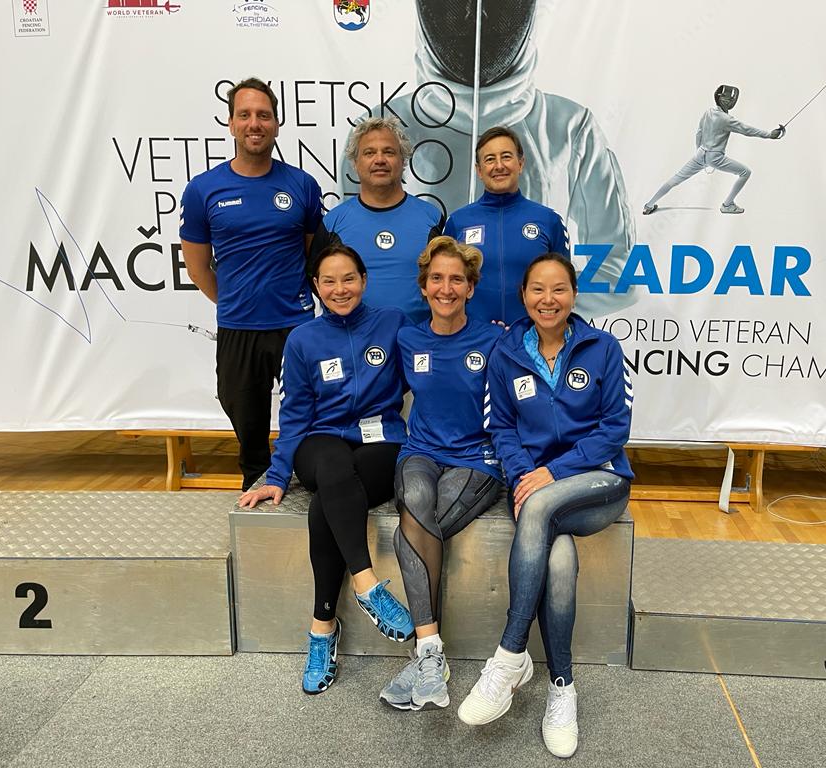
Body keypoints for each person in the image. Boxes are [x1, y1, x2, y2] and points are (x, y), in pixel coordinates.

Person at [340, 0, 637, 316]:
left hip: (525, 336)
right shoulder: (383, 131)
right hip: (431, 335)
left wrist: (529, 311)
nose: (475, 13)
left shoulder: (569, 126)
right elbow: (356, 262)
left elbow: (618, 271)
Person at [457, 254, 633, 758]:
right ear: (524, 296)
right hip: (535, 486)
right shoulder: (505, 353)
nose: (548, 299)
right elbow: (501, 428)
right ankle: (562, 688)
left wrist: (552, 473)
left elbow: (614, 429)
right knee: (557, 557)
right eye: (537, 289)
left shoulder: (603, 348)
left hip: (599, 481)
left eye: (558, 289)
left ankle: (510, 653)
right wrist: (524, 474)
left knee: (537, 508)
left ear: (573, 295)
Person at [238, 245, 415, 695]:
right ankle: (367, 584)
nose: (340, 289)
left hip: (380, 438)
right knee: (334, 465)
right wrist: (277, 475)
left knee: (327, 504)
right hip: (320, 441)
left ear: (364, 280)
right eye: (329, 281)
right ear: (316, 286)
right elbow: (295, 413)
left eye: (349, 278)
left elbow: (433, 360)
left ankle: (322, 628)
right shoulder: (303, 339)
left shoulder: (393, 323)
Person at [378, 236, 504, 711]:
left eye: (456, 279)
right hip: (421, 451)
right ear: (424, 286)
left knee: (410, 532)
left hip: (476, 459)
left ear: (470, 288)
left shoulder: (494, 340)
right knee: (415, 502)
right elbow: (380, 394)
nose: (445, 288)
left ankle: (426, 654)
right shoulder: (408, 338)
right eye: (436, 279)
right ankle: (431, 654)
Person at [180, 77, 323, 491]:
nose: (254, 123)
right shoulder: (203, 190)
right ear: (231, 123)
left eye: (263, 115)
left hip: (296, 326)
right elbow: (198, 269)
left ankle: (309, 489)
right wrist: (235, 302)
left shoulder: (302, 185)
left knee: (311, 417)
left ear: (277, 123)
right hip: (239, 327)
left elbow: (314, 260)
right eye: (244, 115)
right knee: (247, 422)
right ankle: (254, 489)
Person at [312, 116, 445, 322]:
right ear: (355, 163)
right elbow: (316, 280)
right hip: (353, 338)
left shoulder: (432, 218)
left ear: (403, 160)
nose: (380, 160)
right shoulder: (333, 223)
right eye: (369, 153)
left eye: (389, 152)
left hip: (417, 337)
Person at [443, 126, 568, 326]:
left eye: (506, 157)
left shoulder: (549, 220)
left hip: (533, 338)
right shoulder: (458, 222)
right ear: (479, 170)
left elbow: (563, 287)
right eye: (490, 159)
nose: (499, 166)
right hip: (473, 339)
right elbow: (445, 287)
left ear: (521, 163)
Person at [643, 84, 785, 216]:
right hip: (715, 157)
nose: (731, 100)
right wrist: (769, 134)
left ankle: (649, 205)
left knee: (676, 179)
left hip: (700, 153)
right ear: (720, 99)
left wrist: (699, 152)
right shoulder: (726, 119)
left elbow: (699, 132)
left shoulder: (708, 112)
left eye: (732, 98)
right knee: (745, 172)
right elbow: (747, 130)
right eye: (728, 98)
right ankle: (727, 205)